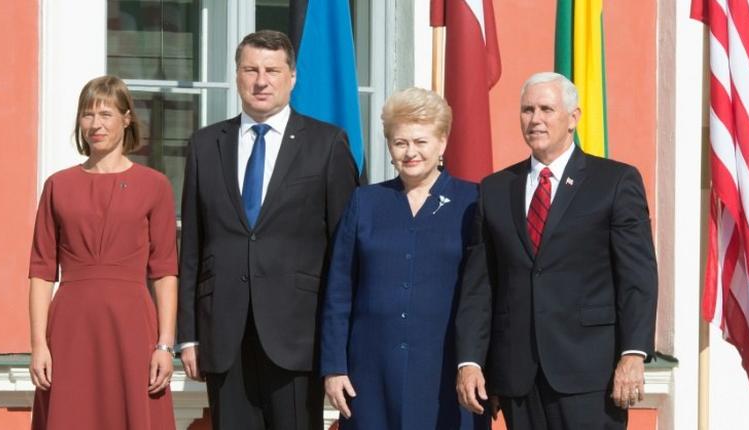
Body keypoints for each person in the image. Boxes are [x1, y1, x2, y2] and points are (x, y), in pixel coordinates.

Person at [177, 30, 359, 430]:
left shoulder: (327, 144)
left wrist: (339, 343)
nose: (261, 80)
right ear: (237, 75)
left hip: (298, 334)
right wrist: (187, 334)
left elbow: (345, 251)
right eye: (251, 69)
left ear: (292, 77)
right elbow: (191, 245)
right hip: (223, 333)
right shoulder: (207, 144)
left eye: (272, 70)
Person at [455, 72, 658, 429]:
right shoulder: (495, 189)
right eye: (527, 110)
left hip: (590, 375)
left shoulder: (614, 182)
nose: (535, 119)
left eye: (547, 109)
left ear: (573, 117)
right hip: (518, 376)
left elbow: (637, 276)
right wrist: (471, 360)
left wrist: (633, 353)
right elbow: (480, 286)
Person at [320, 87, 488, 430]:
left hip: (447, 369)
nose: (411, 152)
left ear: (442, 143)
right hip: (370, 372)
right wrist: (334, 367)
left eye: (421, 141)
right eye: (400, 143)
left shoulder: (474, 202)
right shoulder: (364, 203)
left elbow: (486, 292)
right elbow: (338, 290)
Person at [28, 75, 178, 429]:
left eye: (106, 114)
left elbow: (164, 270)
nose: (96, 124)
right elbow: (41, 271)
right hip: (69, 327)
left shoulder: (154, 185)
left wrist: (165, 345)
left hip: (133, 327)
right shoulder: (58, 186)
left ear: (127, 119)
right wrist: (37, 344)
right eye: (88, 114)